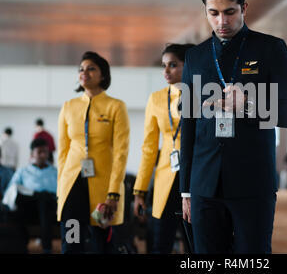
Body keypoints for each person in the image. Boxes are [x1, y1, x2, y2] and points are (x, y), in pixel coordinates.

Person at [180, 0, 287, 254]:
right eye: (213, 13)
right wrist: (186, 190)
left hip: (252, 184)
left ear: (244, 7)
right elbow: (187, 126)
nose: (221, 21)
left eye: (230, 12)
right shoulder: (195, 57)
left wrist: (248, 105)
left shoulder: (270, 49)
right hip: (203, 187)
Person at [57, 51, 130, 254]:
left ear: (103, 75)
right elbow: (62, 153)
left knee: (102, 247)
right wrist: (60, 191)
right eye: (81, 69)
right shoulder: (68, 107)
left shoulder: (116, 106)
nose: (84, 72)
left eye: (91, 68)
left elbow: (121, 153)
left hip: (104, 188)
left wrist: (113, 193)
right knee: (72, 244)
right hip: (72, 186)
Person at [133, 43, 195, 253]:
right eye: (164, 65)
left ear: (189, 65)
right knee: (159, 244)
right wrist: (140, 190)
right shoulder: (156, 99)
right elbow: (149, 149)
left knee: (196, 246)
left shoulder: (203, 95)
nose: (166, 71)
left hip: (196, 179)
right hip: (164, 182)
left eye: (173, 65)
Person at [5, 138, 57, 254]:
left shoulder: (55, 172)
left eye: (45, 152)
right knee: (21, 203)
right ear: (32, 154)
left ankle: (47, 248)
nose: (43, 155)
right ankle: (22, 247)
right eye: (40, 152)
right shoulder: (23, 171)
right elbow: (10, 191)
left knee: (45, 199)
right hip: (29, 207)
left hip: (49, 208)